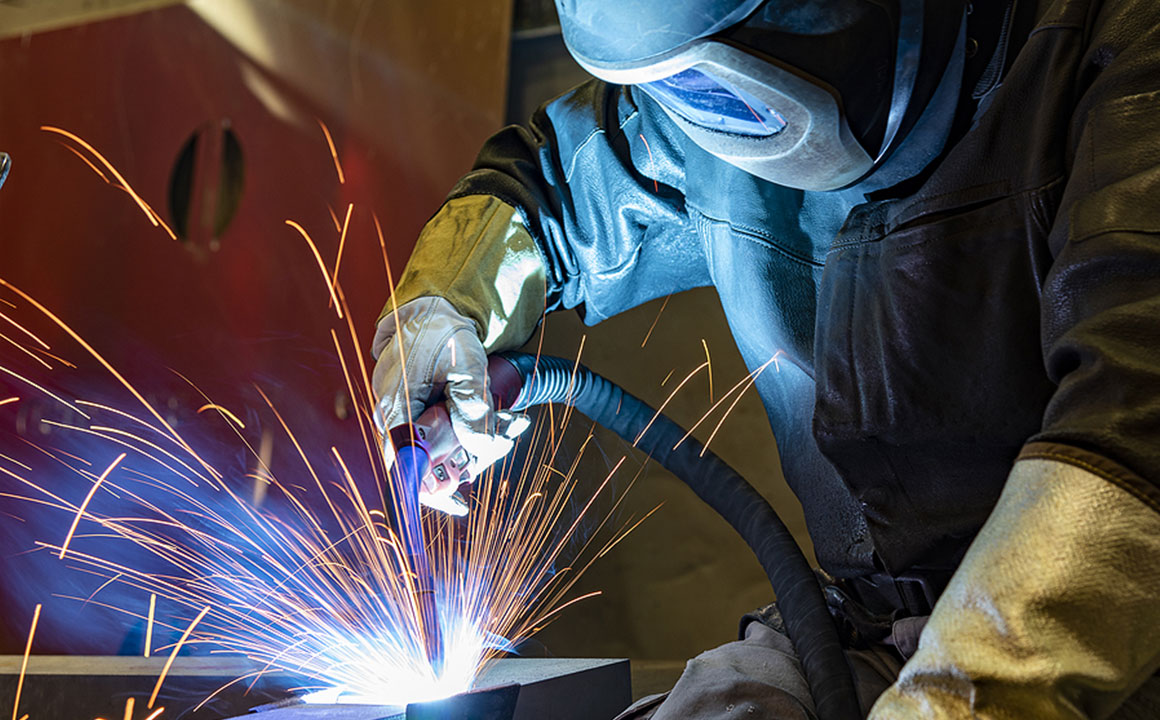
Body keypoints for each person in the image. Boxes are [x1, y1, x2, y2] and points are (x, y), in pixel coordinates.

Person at [372, 0, 1160, 717]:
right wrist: (449, 307)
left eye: (706, 87)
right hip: (858, 627)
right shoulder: (696, 104)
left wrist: (949, 697)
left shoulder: (1113, 51)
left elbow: (1133, 436)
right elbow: (557, 189)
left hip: (1101, 634)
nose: (697, 120)